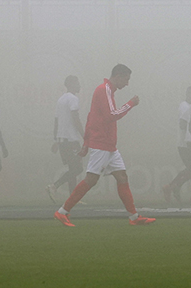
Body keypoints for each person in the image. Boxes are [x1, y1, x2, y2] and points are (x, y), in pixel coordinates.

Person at [54, 64, 155, 226]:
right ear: (118, 76)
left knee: (122, 177)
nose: (127, 83)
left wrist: (86, 142)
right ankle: (62, 212)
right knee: (91, 179)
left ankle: (134, 217)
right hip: (101, 144)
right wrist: (130, 104)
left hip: (108, 145)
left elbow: (91, 118)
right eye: (126, 79)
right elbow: (111, 115)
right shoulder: (104, 89)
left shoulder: (107, 91)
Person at [47, 76, 85, 203]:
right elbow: (76, 118)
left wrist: (56, 140)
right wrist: (84, 136)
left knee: (72, 168)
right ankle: (54, 186)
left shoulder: (60, 100)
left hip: (63, 139)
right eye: (78, 83)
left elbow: (56, 121)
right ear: (72, 84)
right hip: (71, 139)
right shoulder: (73, 99)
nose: (79, 85)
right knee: (77, 168)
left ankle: (73, 198)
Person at [162, 86, 191, 203]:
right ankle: (173, 186)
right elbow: (183, 124)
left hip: (190, 143)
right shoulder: (185, 106)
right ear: (187, 94)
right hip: (185, 143)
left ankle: (175, 187)